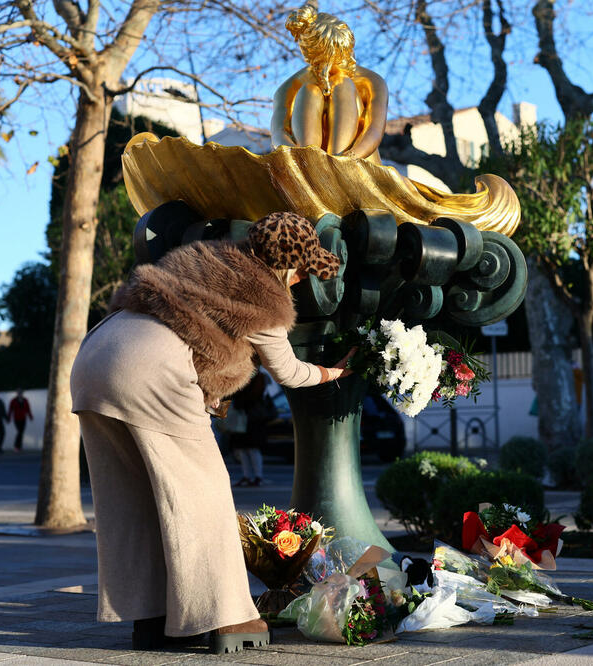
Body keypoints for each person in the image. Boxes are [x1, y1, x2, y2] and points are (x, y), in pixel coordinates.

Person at [70, 211, 353, 654]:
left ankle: (154, 618)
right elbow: (289, 372)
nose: (300, 280)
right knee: (206, 493)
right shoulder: (267, 302)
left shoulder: (212, 258)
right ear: (288, 267)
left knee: (135, 497)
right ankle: (229, 617)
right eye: (302, 270)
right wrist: (333, 372)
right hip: (151, 367)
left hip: (97, 354)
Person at [271, 3, 388, 161]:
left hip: (356, 159)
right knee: (309, 91)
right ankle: (311, 158)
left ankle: (336, 160)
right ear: (315, 58)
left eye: (346, 54)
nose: (346, 61)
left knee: (343, 84)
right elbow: (278, 132)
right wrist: (298, 157)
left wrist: (350, 157)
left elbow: (374, 130)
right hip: (308, 160)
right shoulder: (292, 86)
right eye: (337, 58)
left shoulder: (371, 81)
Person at [230, 372, 274, 487]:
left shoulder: (258, 378)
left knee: (252, 448)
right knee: (243, 448)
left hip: (252, 417)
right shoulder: (249, 376)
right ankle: (248, 476)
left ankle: (256, 476)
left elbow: (254, 395)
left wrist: (240, 400)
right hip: (246, 416)